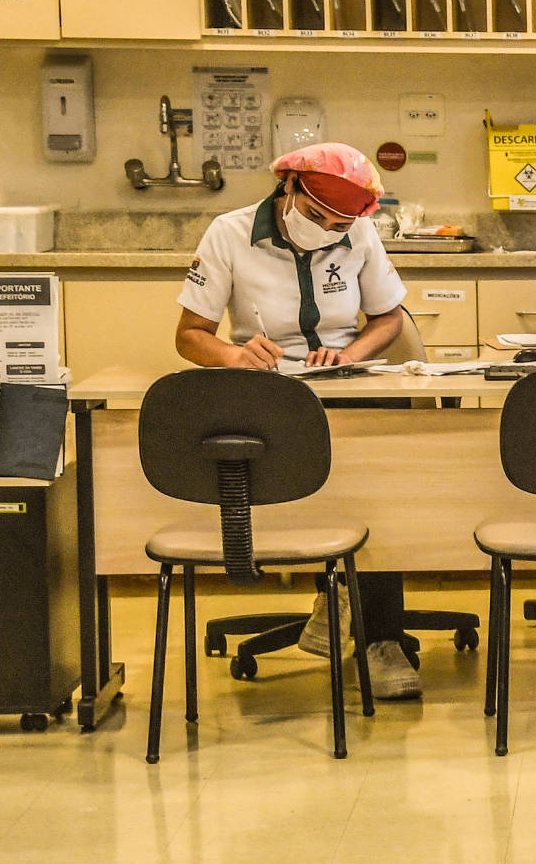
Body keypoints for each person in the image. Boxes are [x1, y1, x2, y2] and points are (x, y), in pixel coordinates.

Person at [173, 141, 425, 700]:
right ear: (288, 188)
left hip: (346, 384)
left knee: (384, 484)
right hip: (265, 389)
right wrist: (235, 356)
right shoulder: (229, 233)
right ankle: (336, 595)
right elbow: (190, 337)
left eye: (337, 224)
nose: (325, 229)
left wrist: (353, 355)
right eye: (315, 216)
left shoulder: (358, 231)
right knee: (320, 480)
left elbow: (388, 319)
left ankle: (375, 632)